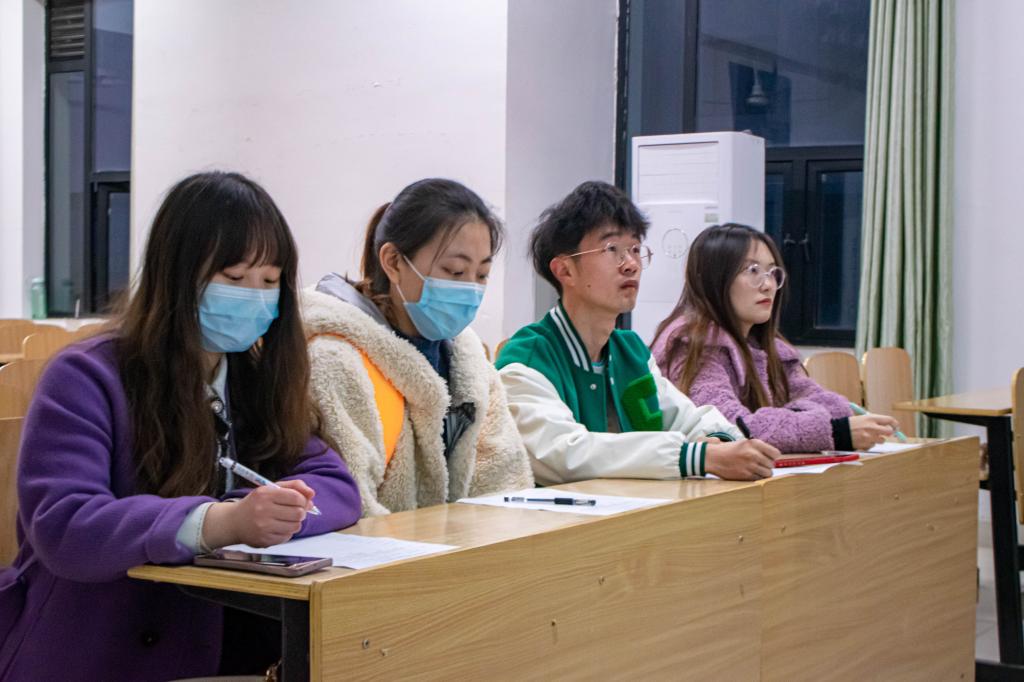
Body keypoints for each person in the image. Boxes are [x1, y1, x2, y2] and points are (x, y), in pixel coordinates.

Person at [0, 171, 361, 681]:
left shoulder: (253, 379)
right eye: (234, 278)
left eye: (270, 281)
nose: (255, 297)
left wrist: (273, 512)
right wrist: (217, 523)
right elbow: (66, 525)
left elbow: (336, 485)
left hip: (221, 649)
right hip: (94, 649)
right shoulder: (87, 375)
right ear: (177, 275)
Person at [497, 181, 780, 485]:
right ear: (565, 270)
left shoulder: (629, 351)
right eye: (612, 249)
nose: (631, 264)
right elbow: (564, 454)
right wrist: (694, 456)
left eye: (635, 249)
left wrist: (721, 444)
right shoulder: (528, 356)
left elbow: (689, 418)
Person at [303, 178, 533, 516]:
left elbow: (505, 481)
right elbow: (352, 507)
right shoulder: (335, 359)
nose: (470, 289)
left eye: (482, 274)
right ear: (394, 261)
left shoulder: (469, 363)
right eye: (455, 271)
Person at [650, 223, 898, 453]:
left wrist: (789, 421)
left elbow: (830, 406)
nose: (768, 284)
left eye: (771, 272)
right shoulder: (690, 345)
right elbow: (729, 429)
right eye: (753, 270)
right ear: (714, 278)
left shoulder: (770, 347)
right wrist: (832, 431)